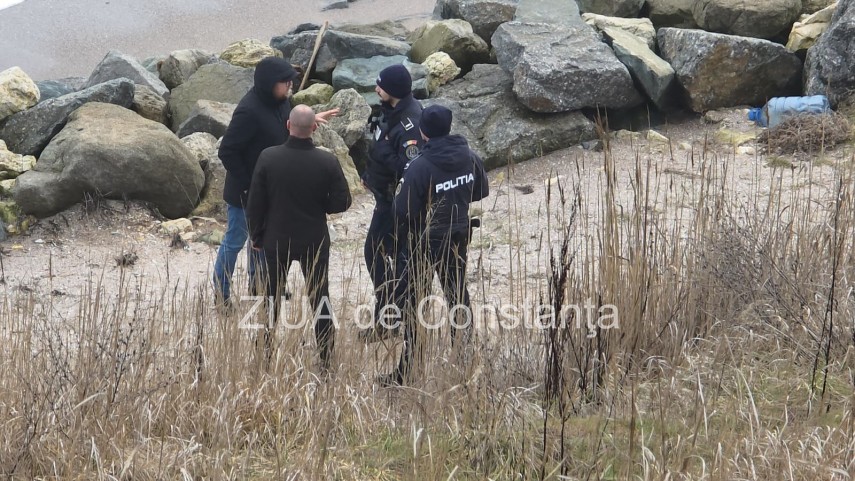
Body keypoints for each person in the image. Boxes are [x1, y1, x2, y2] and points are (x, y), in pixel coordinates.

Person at [214, 56, 338, 307]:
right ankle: (221, 294)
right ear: (270, 83)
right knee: (235, 241)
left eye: (291, 81)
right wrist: (251, 185)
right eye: (285, 81)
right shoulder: (248, 111)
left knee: (262, 240)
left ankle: (259, 286)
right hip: (244, 192)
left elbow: (287, 127)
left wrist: (310, 121)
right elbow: (227, 151)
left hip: (270, 189)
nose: (290, 85)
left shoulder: (282, 102)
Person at [379, 104, 489, 386]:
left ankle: (408, 367)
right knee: (457, 294)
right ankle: (463, 356)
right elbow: (481, 190)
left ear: (423, 132)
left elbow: (403, 210)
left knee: (415, 300)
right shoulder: (469, 157)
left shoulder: (420, 166)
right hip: (459, 233)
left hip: (425, 240)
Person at [246, 105, 352, 370]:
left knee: (270, 298)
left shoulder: (268, 158)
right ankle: (325, 359)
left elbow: (255, 203)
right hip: (314, 239)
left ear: (288, 126)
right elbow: (343, 201)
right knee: (320, 298)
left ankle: (264, 355)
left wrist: (256, 236)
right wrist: (321, 206)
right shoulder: (327, 161)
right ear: (314, 127)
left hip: (276, 238)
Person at [359, 64, 425, 341]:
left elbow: (410, 169)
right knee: (386, 255)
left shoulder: (411, 123)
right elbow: (379, 147)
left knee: (376, 253)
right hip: (382, 194)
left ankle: (390, 314)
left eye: (381, 86)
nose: (376, 89)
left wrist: (385, 152)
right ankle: (391, 313)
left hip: (395, 204)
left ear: (394, 90)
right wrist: (368, 175)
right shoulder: (389, 111)